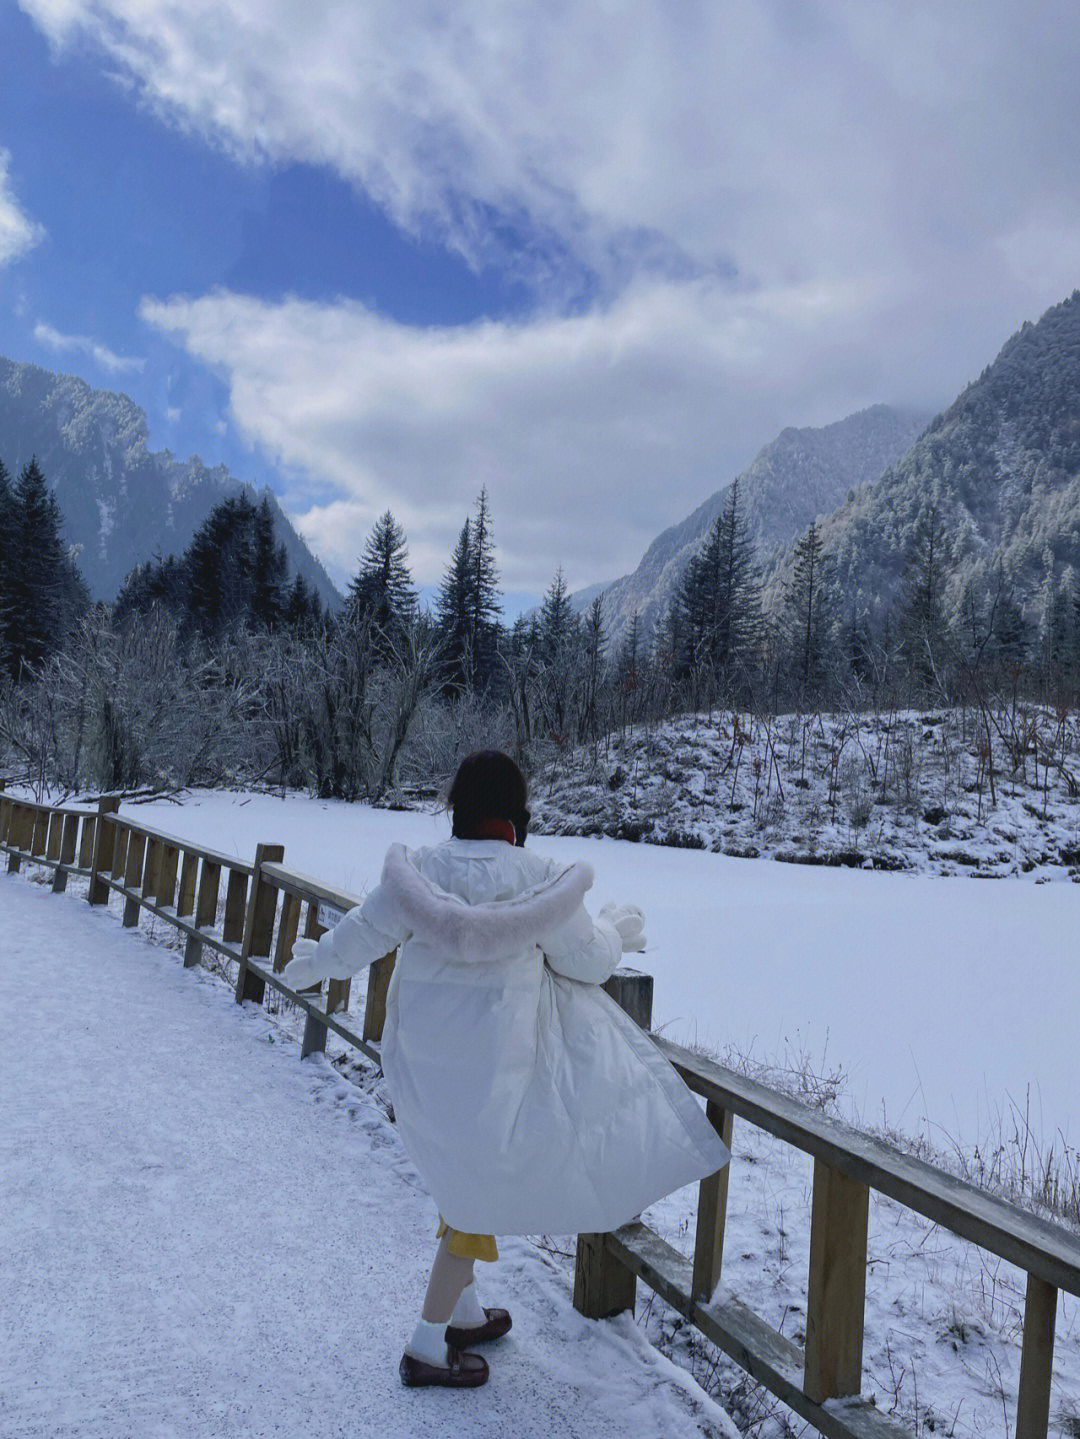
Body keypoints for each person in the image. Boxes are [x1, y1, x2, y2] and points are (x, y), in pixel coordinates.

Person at [283, 750, 729, 1389]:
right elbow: (588, 962)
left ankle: (462, 1315)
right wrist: (617, 932)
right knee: (473, 1200)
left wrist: (315, 962)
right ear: (517, 812)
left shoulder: (422, 875)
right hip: (500, 1075)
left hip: (425, 1069)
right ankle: (426, 1346)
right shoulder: (542, 880)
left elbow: (359, 934)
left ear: (456, 806)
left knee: (461, 1183)